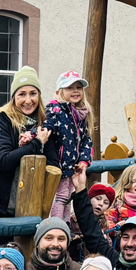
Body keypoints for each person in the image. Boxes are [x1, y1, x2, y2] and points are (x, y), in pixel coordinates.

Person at [0, 67, 56, 245]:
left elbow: (53, 164)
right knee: (5, 263)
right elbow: (4, 160)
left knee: (27, 265)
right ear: (14, 97)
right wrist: (36, 144)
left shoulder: (44, 124)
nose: (28, 100)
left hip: (32, 208)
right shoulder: (1, 120)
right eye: (22, 94)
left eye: (33, 93)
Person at [44, 71, 94, 221]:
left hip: (73, 166)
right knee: (60, 197)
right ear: (60, 91)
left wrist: (84, 161)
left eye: (78, 87)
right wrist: (31, 135)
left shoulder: (82, 114)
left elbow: (86, 140)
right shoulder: (55, 109)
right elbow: (45, 127)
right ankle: (57, 226)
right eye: (70, 88)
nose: (75, 91)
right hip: (59, 164)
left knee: (67, 197)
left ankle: (65, 227)